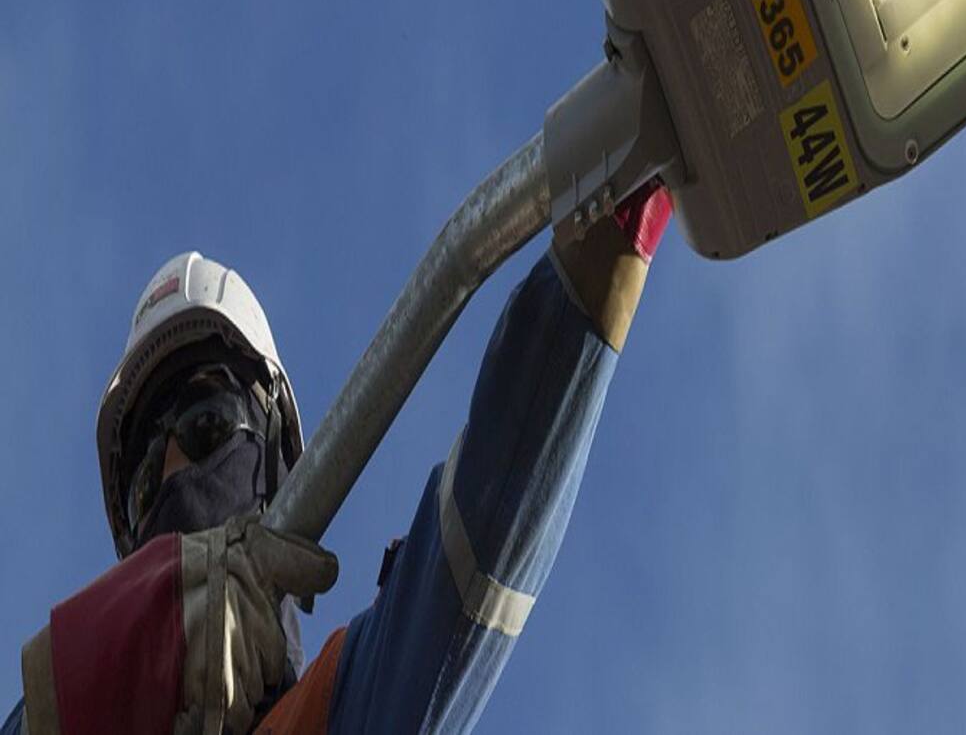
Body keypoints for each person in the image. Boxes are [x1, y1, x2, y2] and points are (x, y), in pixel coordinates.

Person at [2, 180, 673, 735]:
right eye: (146, 484)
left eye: (206, 424)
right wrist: (155, 636)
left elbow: (472, 550)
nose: (174, 467)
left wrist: (621, 207)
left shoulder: (330, 717)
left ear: (276, 469)